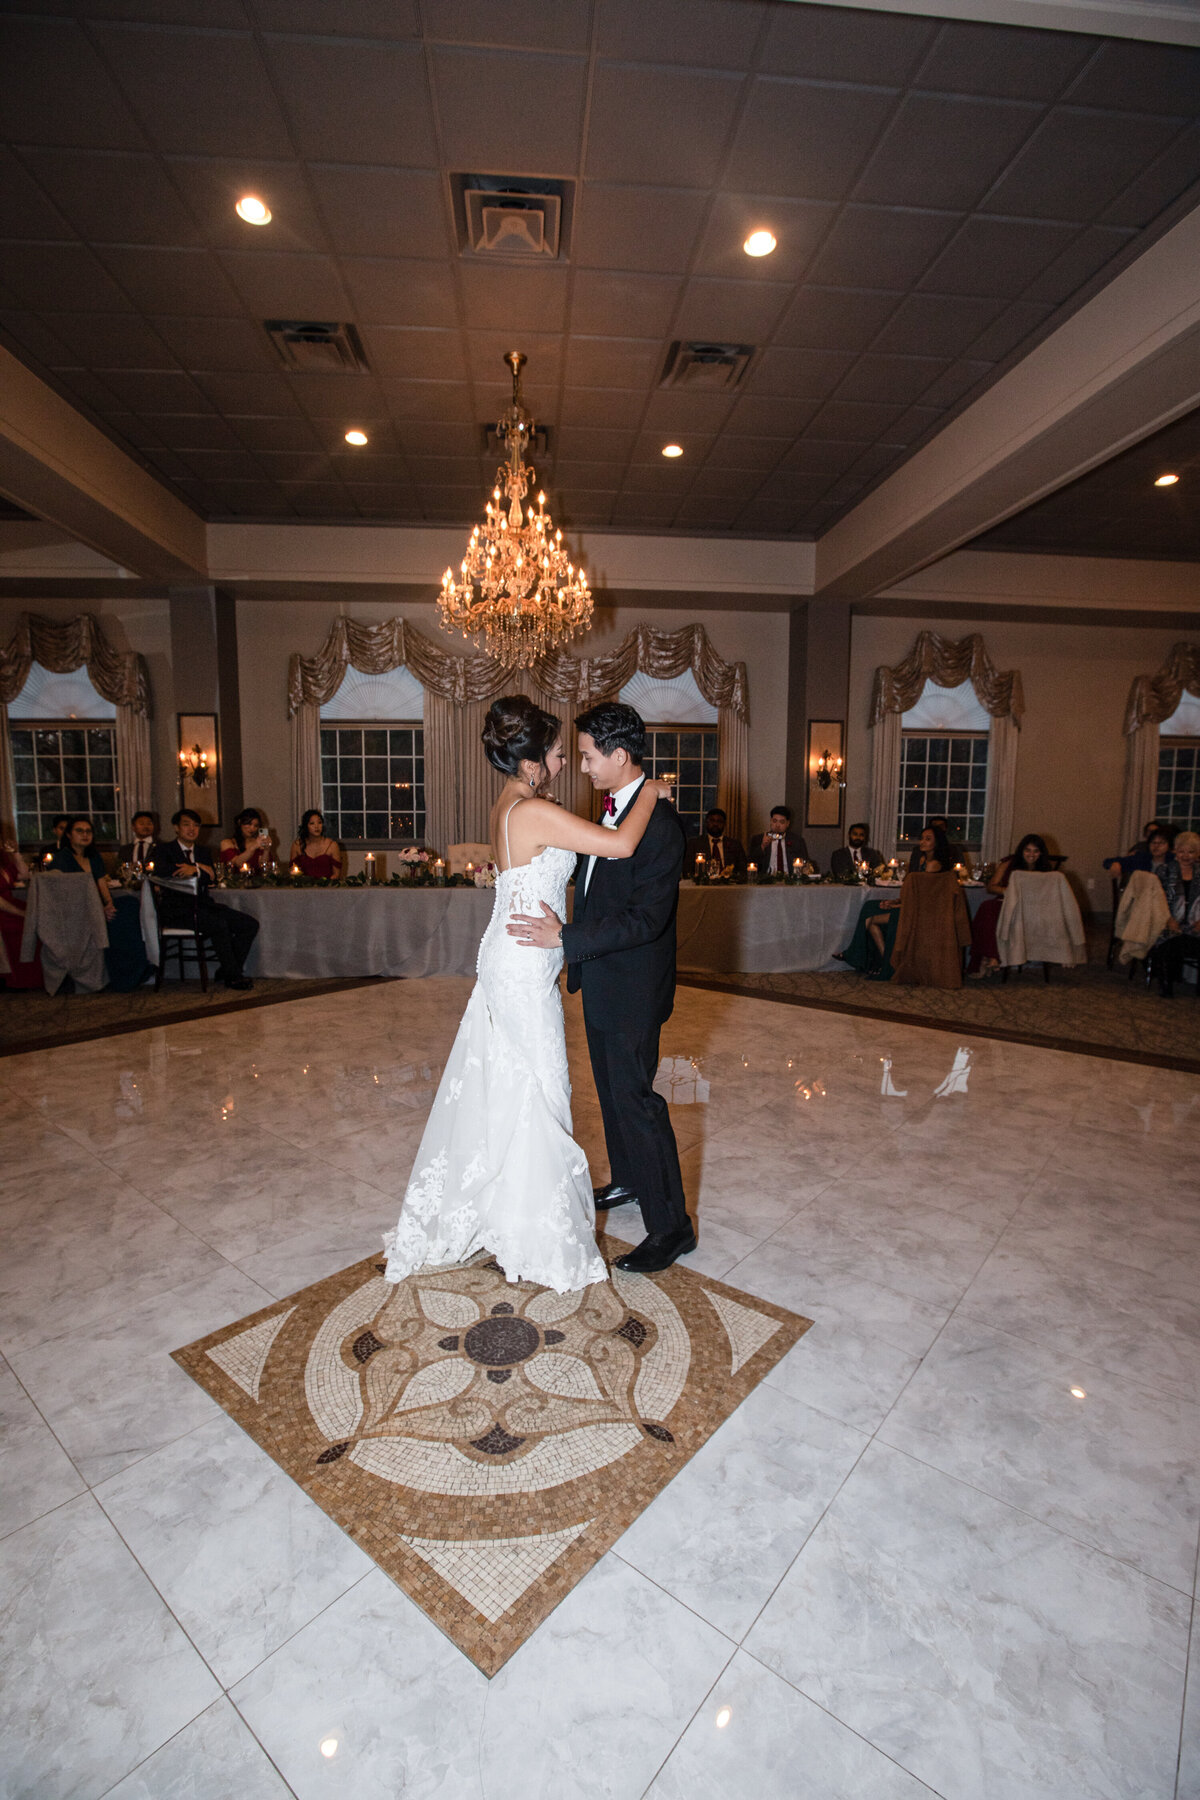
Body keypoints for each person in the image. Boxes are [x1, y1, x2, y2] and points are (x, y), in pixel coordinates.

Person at [382, 696, 672, 1293]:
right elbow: (617, 847)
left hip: (517, 952)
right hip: (522, 958)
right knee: (537, 1087)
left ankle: (510, 1205)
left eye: (579, 753)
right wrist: (649, 792)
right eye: (563, 754)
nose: (571, 763)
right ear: (534, 760)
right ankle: (538, 1229)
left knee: (516, 1083)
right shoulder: (534, 811)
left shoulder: (511, 802)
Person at [512, 700, 693, 1275]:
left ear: (620, 756)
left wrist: (568, 938)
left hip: (635, 987)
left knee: (638, 1101)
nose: (583, 766)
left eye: (589, 756)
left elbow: (646, 919)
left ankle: (672, 1227)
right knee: (613, 1095)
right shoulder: (616, 811)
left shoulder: (660, 826)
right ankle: (632, 1180)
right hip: (603, 981)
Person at [155, 808, 258, 989]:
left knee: (249, 924)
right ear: (176, 828)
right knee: (218, 924)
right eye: (187, 825)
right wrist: (199, 868)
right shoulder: (164, 849)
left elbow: (211, 877)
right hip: (176, 909)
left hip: (203, 905)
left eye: (196, 825)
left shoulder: (203, 851)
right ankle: (233, 976)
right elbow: (163, 872)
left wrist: (195, 868)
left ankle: (227, 969)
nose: (192, 829)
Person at [835, 824, 952, 979]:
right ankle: (883, 960)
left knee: (870, 920)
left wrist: (898, 904)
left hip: (921, 912)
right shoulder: (922, 859)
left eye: (928, 839)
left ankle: (879, 962)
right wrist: (895, 902)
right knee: (870, 906)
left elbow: (925, 898)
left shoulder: (933, 865)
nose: (922, 842)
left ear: (936, 843)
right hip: (911, 905)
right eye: (922, 838)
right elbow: (915, 892)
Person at [967, 832, 1052, 977]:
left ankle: (989, 958)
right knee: (988, 908)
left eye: (1035, 851)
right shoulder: (1009, 863)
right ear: (1022, 850)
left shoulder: (1045, 870)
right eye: (1027, 850)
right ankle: (992, 957)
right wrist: (1009, 892)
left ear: (1041, 853)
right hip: (1005, 902)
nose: (1031, 854)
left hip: (1030, 909)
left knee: (993, 911)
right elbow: (991, 887)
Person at [1149, 830, 1200, 997]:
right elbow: (1156, 901)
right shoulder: (1164, 870)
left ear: (1197, 853)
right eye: (1181, 851)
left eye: (1191, 852)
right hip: (1169, 922)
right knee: (1169, 942)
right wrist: (1169, 919)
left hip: (1194, 924)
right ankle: (1165, 984)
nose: (1186, 856)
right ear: (1175, 851)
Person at [50, 815, 116, 919]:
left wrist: (109, 903)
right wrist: (97, 909)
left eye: (88, 831)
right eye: (79, 831)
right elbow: (62, 892)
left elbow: (102, 882)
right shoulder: (61, 858)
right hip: (74, 907)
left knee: (130, 903)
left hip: (97, 901)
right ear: (69, 834)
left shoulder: (94, 855)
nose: (85, 835)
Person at [0, 837, 41, 988]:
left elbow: (24, 874)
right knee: (21, 926)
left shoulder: (3, 863)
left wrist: (16, 853)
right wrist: (20, 913)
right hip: (3, 909)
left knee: (38, 918)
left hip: (8, 904)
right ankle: (16, 979)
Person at [684, 806, 746, 878]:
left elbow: (743, 870)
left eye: (719, 821)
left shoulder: (735, 844)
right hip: (702, 886)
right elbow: (687, 869)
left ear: (724, 824)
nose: (715, 824)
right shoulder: (694, 843)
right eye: (712, 821)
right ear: (706, 822)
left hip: (729, 885)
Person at [1104, 819, 1174, 883]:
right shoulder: (1141, 858)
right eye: (1153, 843)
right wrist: (1114, 864)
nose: (1156, 846)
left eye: (1161, 843)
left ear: (1168, 846)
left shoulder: (1174, 861)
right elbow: (1107, 862)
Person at [745, 805, 808, 874]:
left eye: (782, 822)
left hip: (789, 879)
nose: (777, 825)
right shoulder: (758, 839)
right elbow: (750, 862)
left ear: (787, 823)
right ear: (770, 821)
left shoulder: (797, 840)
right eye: (774, 821)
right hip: (766, 880)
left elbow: (804, 862)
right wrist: (762, 846)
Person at [289, 809, 343, 880]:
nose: (316, 826)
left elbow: (336, 874)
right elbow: (292, 873)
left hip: (327, 887)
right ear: (306, 826)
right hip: (304, 888)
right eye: (312, 823)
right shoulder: (297, 845)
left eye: (319, 823)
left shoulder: (332, 845)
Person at [220, 807, 272, 872]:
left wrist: (267, 850)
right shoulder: (227, 843)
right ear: (240, 822)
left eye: (256, 826)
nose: (252, 828)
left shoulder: (258, 843)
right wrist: (253, 847)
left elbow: (264, 868)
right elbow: (237, 863)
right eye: (249, 824)